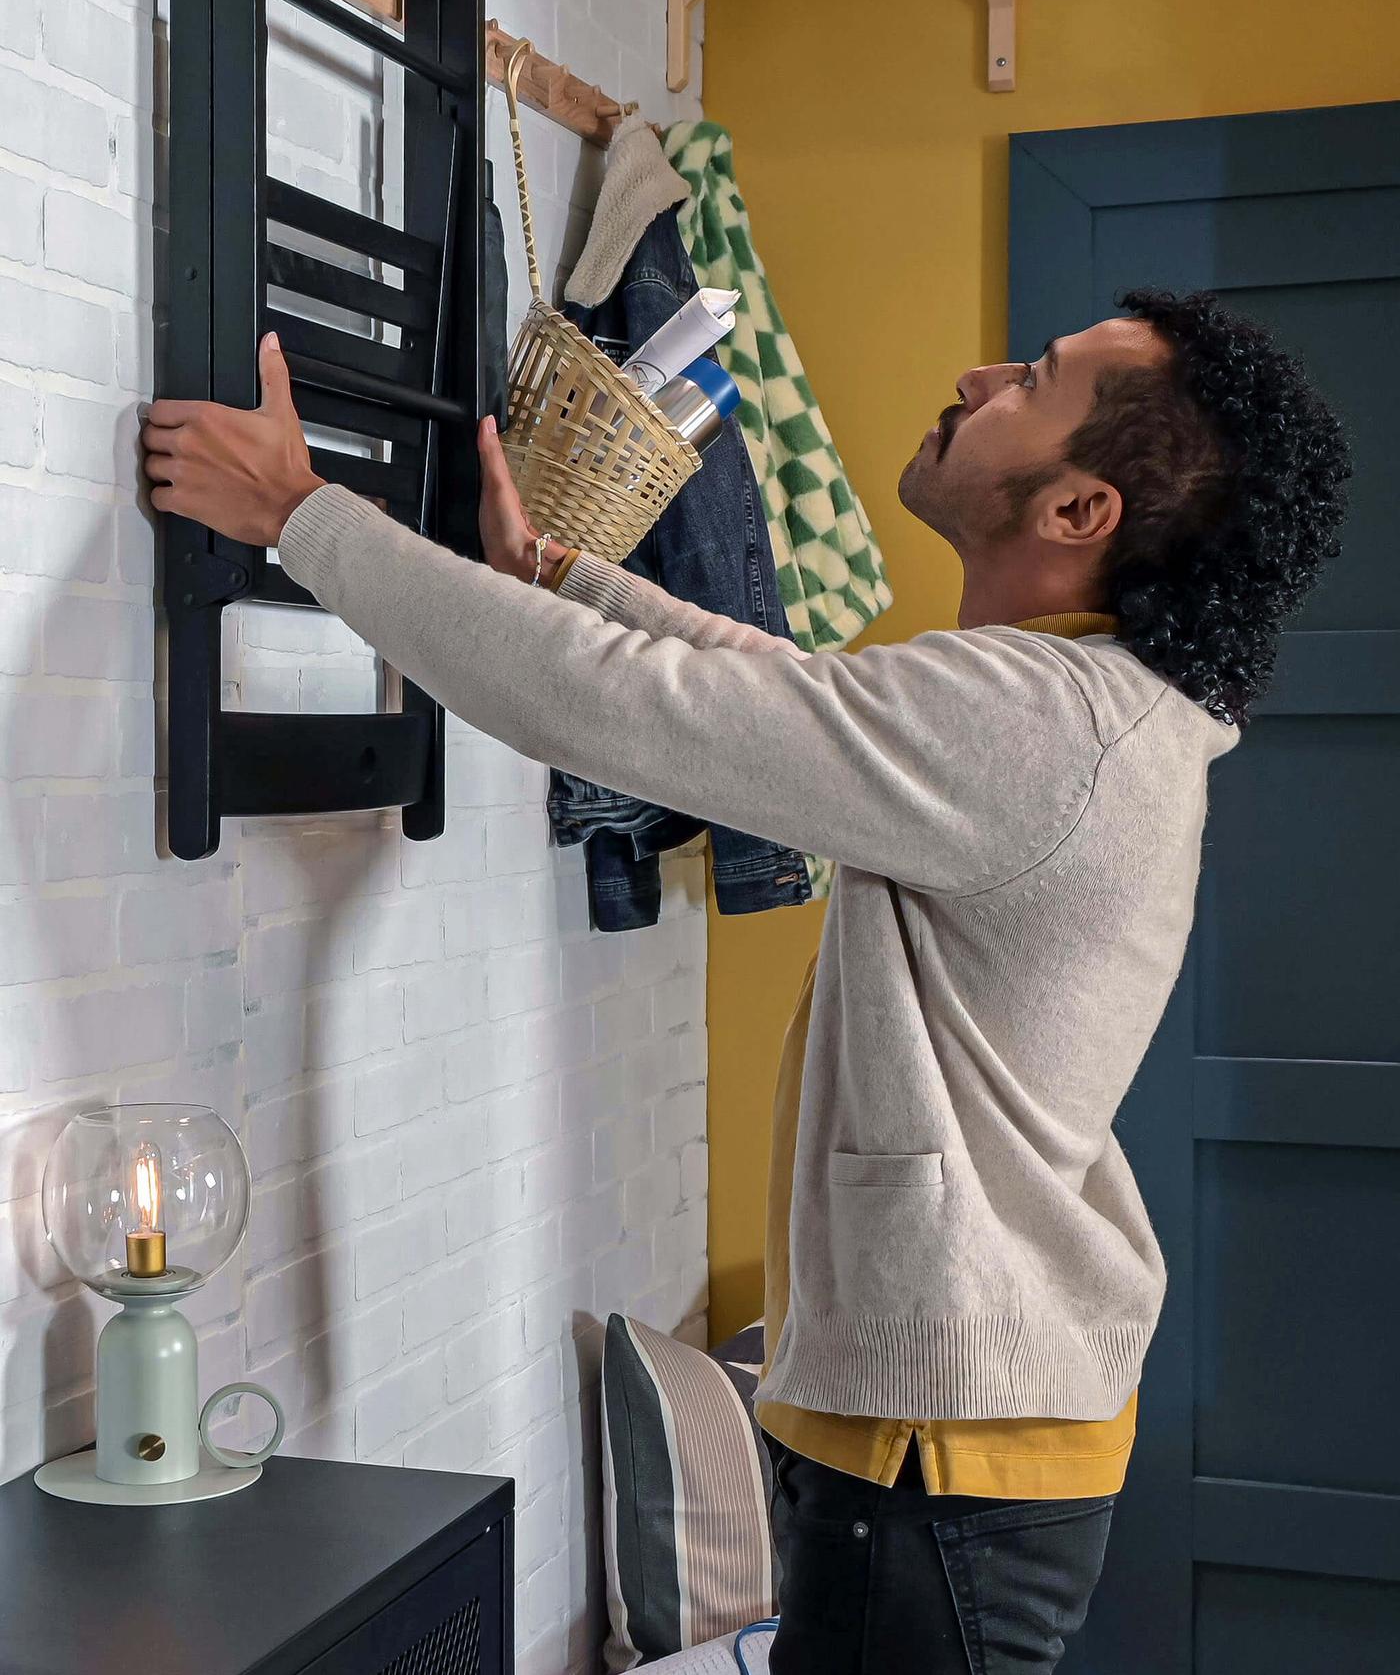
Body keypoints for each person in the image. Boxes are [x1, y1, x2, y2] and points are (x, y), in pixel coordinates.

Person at [141, 288, 1348, 1673]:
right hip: (953, 1445)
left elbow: (626, 710)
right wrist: (563, 578)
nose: (976, 373)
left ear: (1079, 511)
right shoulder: (1071, 702)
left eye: (1031, 377)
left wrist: (302, 512)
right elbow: (803, 703)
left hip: (937, 1462)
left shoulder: (1040, 728)